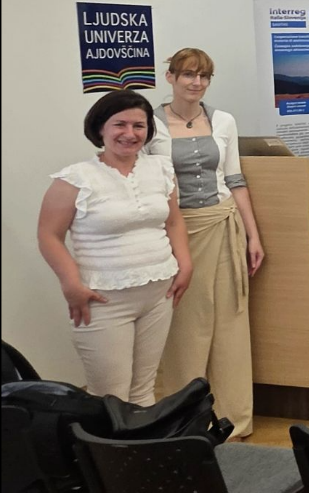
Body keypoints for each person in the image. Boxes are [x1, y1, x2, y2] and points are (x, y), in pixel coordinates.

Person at [37, 90, 193, 405]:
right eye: (120, 124)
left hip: (159, 293)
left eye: (139, 126)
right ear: (100, 128)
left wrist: (185, 263)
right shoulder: (75, 179)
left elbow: (173, 221)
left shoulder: (161, 168)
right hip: (103, 299)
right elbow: (48, 235)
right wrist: (70, 283)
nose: (130, 134)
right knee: (110, 397)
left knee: (144, 390)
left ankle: (144, 440)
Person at [146, 49, 264, 438]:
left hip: (223, 223)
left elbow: (235, 179)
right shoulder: (150, 124)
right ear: (170, 77)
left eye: (204, 76)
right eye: (188, 75)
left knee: (230, 324)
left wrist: (253, 235)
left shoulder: (223, 120)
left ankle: (234, 420)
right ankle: (185, 422)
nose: (196, 83)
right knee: (186, 328)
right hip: (177, 232)